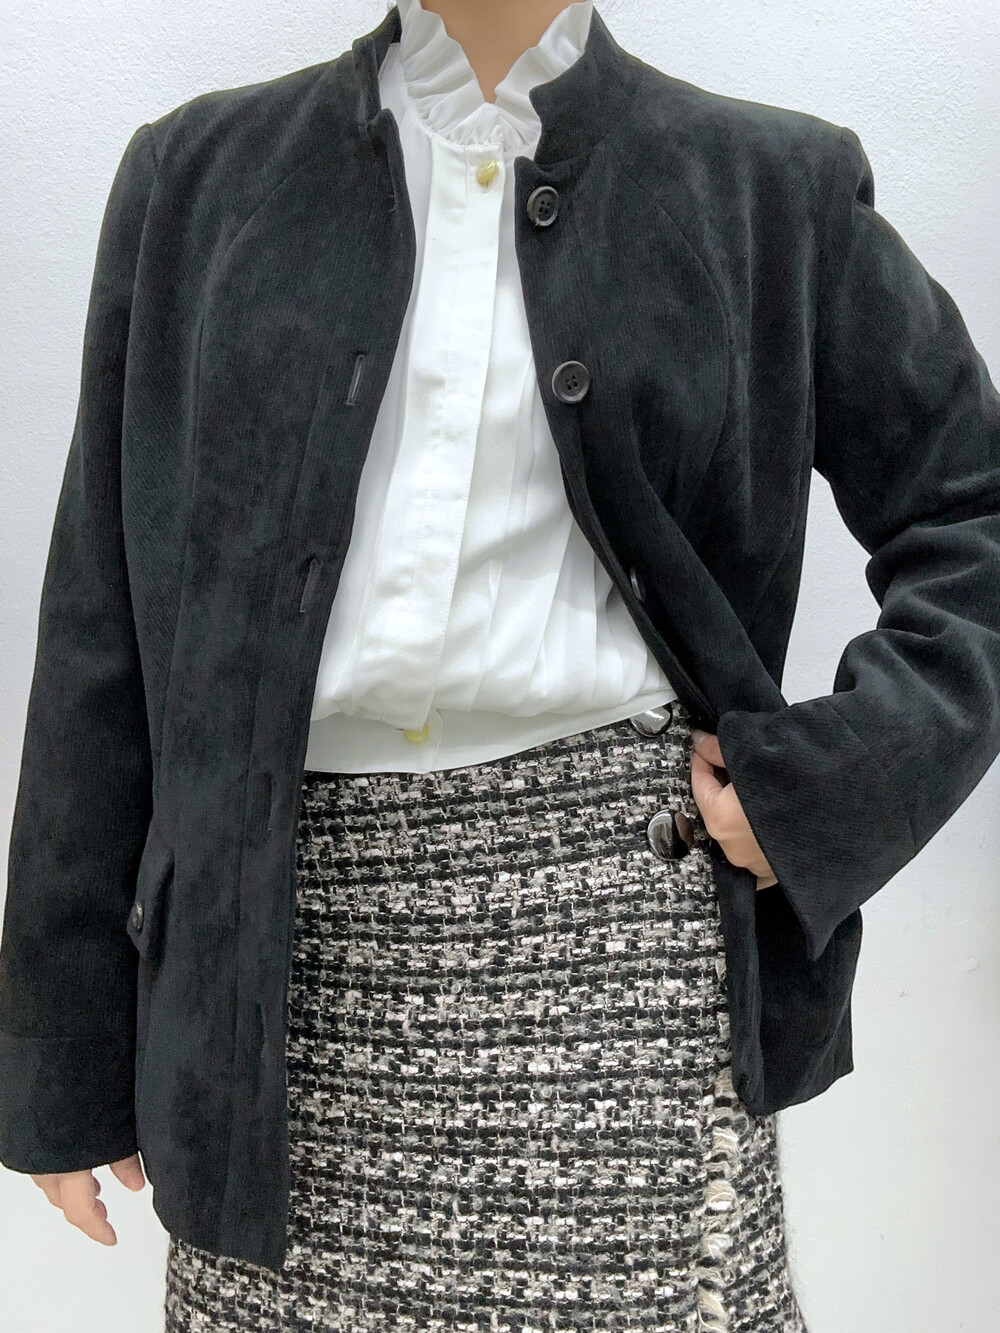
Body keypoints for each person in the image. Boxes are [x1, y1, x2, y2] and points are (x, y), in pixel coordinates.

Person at [5, 0, 998, 1329]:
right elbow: (102, 622)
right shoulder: (198, 180)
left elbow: (973, 515)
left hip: (621, 956)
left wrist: (821, 789)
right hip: (267, 990)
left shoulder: (768, 187)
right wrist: (61, 1047)